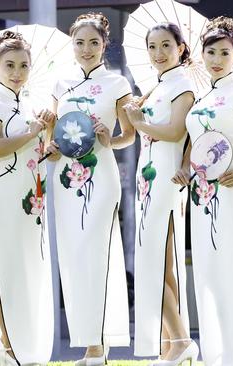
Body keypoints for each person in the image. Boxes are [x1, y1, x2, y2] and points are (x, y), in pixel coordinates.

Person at [171, 17, 233, 366]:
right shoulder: (203, 96)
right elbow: (195, 143)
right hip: (199, 196)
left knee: (231, 270)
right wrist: (185, 167)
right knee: (206, 272)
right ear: (202, 54)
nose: (216, 58)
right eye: (211, 51)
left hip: (230, 192)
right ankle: (214, 356)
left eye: (224, 52)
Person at [50, 12, 135, 364]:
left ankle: (99, 344)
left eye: (94, 43)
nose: (86, 49)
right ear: (72, 45)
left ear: (105, 45)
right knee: (72, 255)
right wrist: (48, 143)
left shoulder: (117, 84)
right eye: (80, 42)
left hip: (101, 176)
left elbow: (129, 135)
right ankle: (87, 342)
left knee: (98, 251)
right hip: (65, 179)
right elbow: (54, 137)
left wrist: (108, 138)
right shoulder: (60, 85)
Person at [0, 30, 55, 365]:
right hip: (3, 194)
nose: (17, 72)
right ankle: (7, 344)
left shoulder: (32, 105)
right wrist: (33, 130)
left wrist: (49, 135)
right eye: (10, 65)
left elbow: (39, 154)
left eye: (23, 65)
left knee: (27, 267)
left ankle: (20, 342)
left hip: (32, 198)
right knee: (6, 267)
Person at [122, 22, 197, 363]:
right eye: (152, 46)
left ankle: (180, 340)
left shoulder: (183, 86)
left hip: (166, 178)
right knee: (161, 263)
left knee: (153, 261)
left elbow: (176, 131)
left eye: (166, 45)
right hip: (147, 179)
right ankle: (172, 343)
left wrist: (140, 123)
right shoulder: (155, 87)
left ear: (181, 48)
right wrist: (138, 115)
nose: (158, 53)